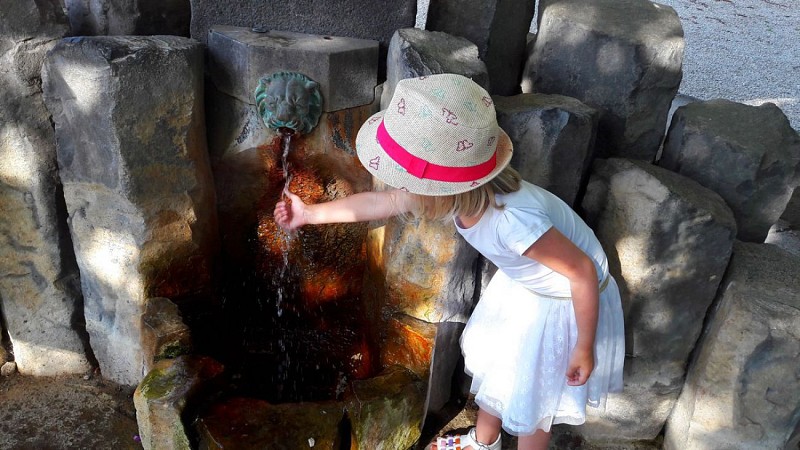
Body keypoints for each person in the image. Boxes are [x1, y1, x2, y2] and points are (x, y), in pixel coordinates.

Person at [274, 73, 625, 450]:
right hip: (527, 286)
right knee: (500, 368)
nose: (398, 188)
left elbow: (583, 272)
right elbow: (383, 203)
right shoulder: (458, 193)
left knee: (533, 402)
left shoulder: (513, 222)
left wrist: (583, 347)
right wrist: (309, 214)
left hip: (564, 301)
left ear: (437, 186)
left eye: (404, 179)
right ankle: (483, 441)